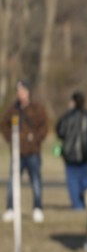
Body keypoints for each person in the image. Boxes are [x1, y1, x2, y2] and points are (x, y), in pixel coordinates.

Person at [2, 79, 49, 223]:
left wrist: (35, 139)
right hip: (17, 152)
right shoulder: (13, 109)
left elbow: (44, 126)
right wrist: (11, 139)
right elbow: (4, 125)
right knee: (13, 181)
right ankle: (10, 208)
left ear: (28, 92)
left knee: (35, 181)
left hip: (33, 152)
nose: (20, 94)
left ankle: (37, 208)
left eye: (23, 91)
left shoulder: (37, 108)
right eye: (18, 91)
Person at [55, 91, 87, 210]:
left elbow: (60, 132)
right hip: (86, 155)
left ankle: (78, 205)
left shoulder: (66, 117)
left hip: (70, 155)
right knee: (85, 177)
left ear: (73, 102)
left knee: (73, 181)